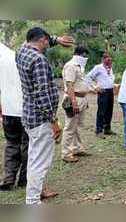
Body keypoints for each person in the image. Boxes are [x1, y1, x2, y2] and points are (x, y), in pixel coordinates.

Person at [16, 27, 73, 204]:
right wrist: (54, 121)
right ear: (41, 41)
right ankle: (33, 201)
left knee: (34, 157)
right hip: (41, 119)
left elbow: (31, 40)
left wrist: (56, 39)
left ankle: (37, 192)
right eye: (47, 41)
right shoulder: (39, 60)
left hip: (29, 115)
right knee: (39, 162)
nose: (49, 44)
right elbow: (42, 95)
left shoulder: (21, 51)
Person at [0, 42, 28, 191]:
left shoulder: (2, 62)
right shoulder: (20, 58)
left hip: (8, 109)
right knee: (27, 145)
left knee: (11, 144)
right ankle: (25, 179)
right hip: (24, 110)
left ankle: (8, 178)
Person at [61, 46, 91, 163]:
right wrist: (74, 102)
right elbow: (70, 85)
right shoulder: (70, 66)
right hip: (74, 99)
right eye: (84, 55)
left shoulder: (79, 67)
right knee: (70, 127)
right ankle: (66, 153)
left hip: (81, 99)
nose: (85, 58)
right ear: (79, 55)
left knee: (77, 126)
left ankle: (76, 148)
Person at [86, 53, 116, 139]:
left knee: (109, 111)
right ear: (103, 59)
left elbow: (109, 79)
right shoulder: (98, 67)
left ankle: (107, 128)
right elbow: (88, 77)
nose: (110, 61)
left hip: (110, 91)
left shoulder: (110, 68)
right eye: (108, 60)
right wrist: (95, 87)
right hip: (103, 91)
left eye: (110, 60)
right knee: (101, 111)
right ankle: (99, 130)